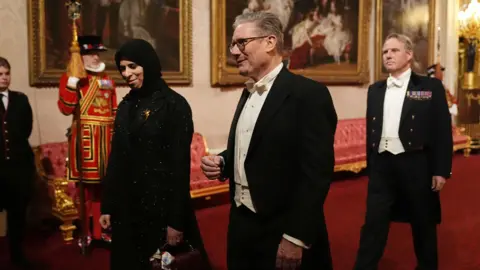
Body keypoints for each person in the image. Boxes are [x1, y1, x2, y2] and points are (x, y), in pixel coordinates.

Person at [201, 11, 337, 270]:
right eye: (233, 44)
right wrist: (224, 160)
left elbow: (316, 174)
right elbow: (256, 148)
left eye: (241, 42)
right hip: (242, 224)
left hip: (283, 229)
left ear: (270, 42)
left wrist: (295, 236)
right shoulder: (248, 91)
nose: (234, 51)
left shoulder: (309, 95)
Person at [99, 39, 210, 270]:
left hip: (160, 208)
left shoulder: (174, 105)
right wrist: (108, 206)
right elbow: (116, 158)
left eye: (132, 66)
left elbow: (180, 168)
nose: (126, 74)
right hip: (127, 208)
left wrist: (175, 222)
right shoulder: (126, 105)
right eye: (122, 68)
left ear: (147, 64)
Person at [353, 33, 453, 270]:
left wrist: (441, 170)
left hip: (416, 164)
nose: (387, 55)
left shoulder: (428, 88)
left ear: (408, 55)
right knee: (373, 224)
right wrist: (372, 163)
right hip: (382, 166)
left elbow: (441, 129)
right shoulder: (375, 89)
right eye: (385, 51)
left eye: (394, 51)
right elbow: (371, 130)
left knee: (423, 225)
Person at [57, 35, 117, 246]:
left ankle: (103, 232)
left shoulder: (107, 78)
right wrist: (72, 85)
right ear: (79, 57)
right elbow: (65, 108)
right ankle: (87, 232)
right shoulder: (70, 78)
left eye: (96, 53)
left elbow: (114, 110)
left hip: (106, 141)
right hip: (85, 140)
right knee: (86, 191)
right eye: (90, 54)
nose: (94, 57)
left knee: (105, 189)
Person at [0, 57, 35, 267]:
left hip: (18, 170)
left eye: (7, 74)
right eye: (0, 74)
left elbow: (26, 129)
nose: (4, 78)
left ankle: (17, 256)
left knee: (17, 216)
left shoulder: (20, 100)